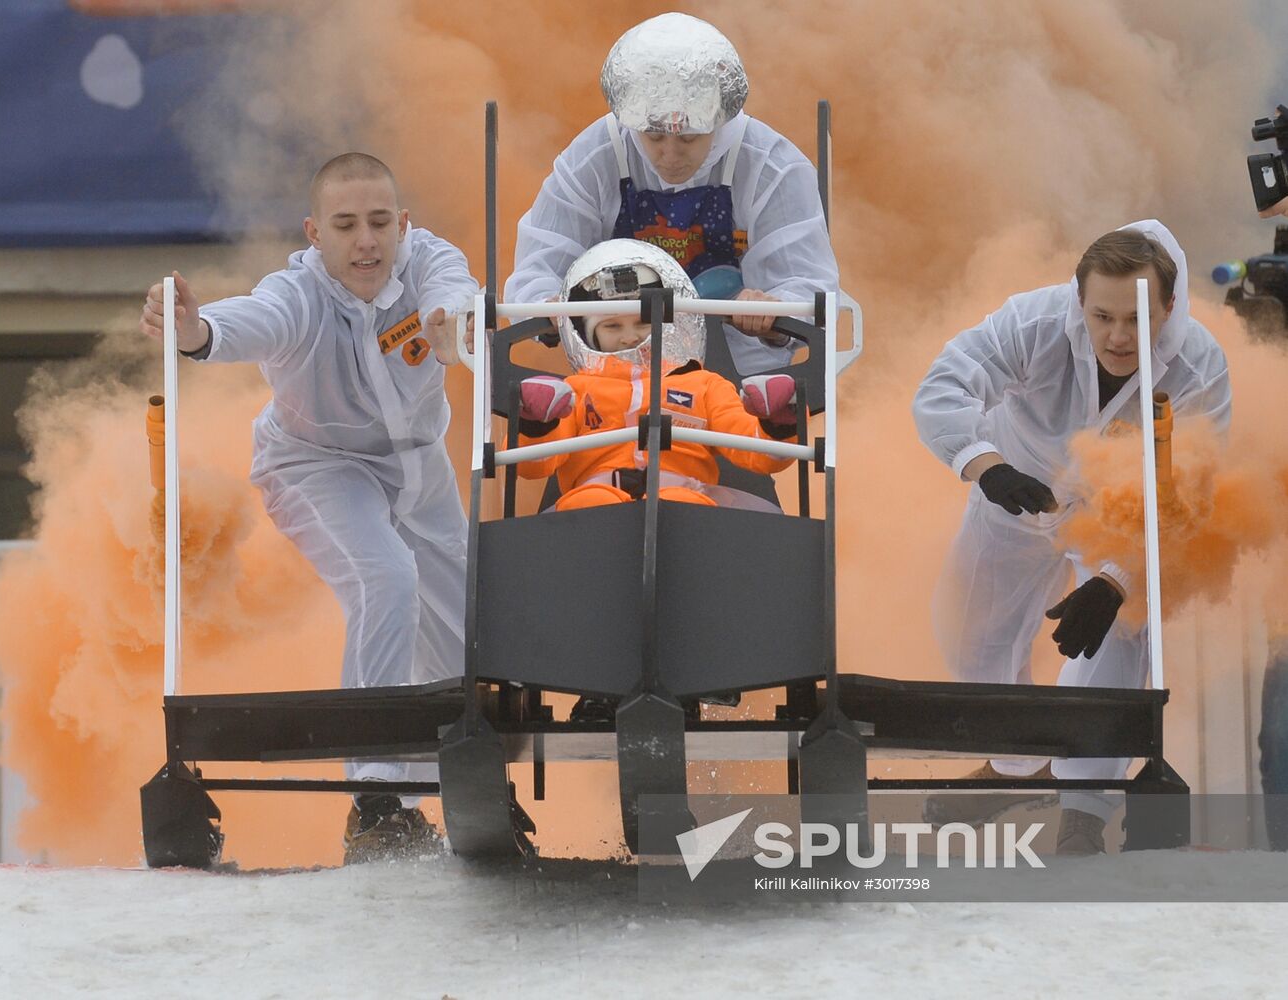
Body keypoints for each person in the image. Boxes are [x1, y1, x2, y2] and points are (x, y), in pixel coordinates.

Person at [140, 152, 478, 864]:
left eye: (380, 222)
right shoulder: (296, 295)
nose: (366, 242)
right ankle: (377, 804)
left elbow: (456, 293)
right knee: (385, 581)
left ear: (404, 225)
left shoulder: (429, 264)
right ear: (314, 233)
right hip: (318, 467)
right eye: (346, 225)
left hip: (421, 468)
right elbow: (248, 322)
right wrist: (195, 331)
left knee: (469, 641)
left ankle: (450, 798)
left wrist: (456, 320)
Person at [912, 220, 1231, 854]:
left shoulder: (1200, 367)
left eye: (1138, 320)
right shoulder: (1030, 322)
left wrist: (1118, 581)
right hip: (1015, 488)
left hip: (1123, 518)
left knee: (1114, 639)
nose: (1118, 337)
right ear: (1077, 300)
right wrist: (984, 463)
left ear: (1170, 305)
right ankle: (1015, 767)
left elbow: (1190, 495)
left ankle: (1083, 811)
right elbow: (944, 385)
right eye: (1101, 315)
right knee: (971, 629)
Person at [504, 12, 839, 378]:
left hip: (746, 388)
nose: (671, 154)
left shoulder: (773, 167)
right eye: (654, 136)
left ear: (721, 119)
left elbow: (811, 290)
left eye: (689, 136)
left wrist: (775, 312)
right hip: (616, 378)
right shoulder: (592, 158)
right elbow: (538, 268)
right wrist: (550, 305)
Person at [514, 239, 800, 512]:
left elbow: (756, 450)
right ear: (588, 335)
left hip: (686, 502)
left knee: (683, 507)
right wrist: (537, 423)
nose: (628, 337)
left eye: (641, 322)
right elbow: (532, 465)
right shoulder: (574, 391)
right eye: (612, 326)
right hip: (594, 511)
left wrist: (775, 422)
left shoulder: (704, 385)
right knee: (586, 504)